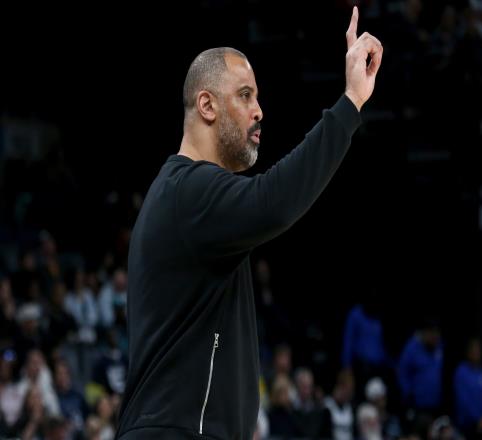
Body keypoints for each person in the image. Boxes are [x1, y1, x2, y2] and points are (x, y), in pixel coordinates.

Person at [115, 6, 383, 439]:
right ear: (207, 105)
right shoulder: (189, 192)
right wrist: (350, 102)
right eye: (245, 95)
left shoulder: (187, 199)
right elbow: (274, 201)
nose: (259, 111)